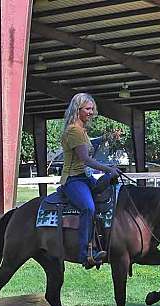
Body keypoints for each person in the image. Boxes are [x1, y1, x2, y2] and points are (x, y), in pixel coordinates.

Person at [60, 93, 119, 269]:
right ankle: (85, 253)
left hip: (85, 178)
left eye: (92, 109)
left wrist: (106, 138)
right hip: (73, 180)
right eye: (87, 109)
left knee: (112, 191)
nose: (91, 112)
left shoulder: (81, 131)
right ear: (77, 110)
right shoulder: (74, 131)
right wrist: (109, 169)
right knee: (88, 207)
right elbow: (85, 158)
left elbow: (88, 145)